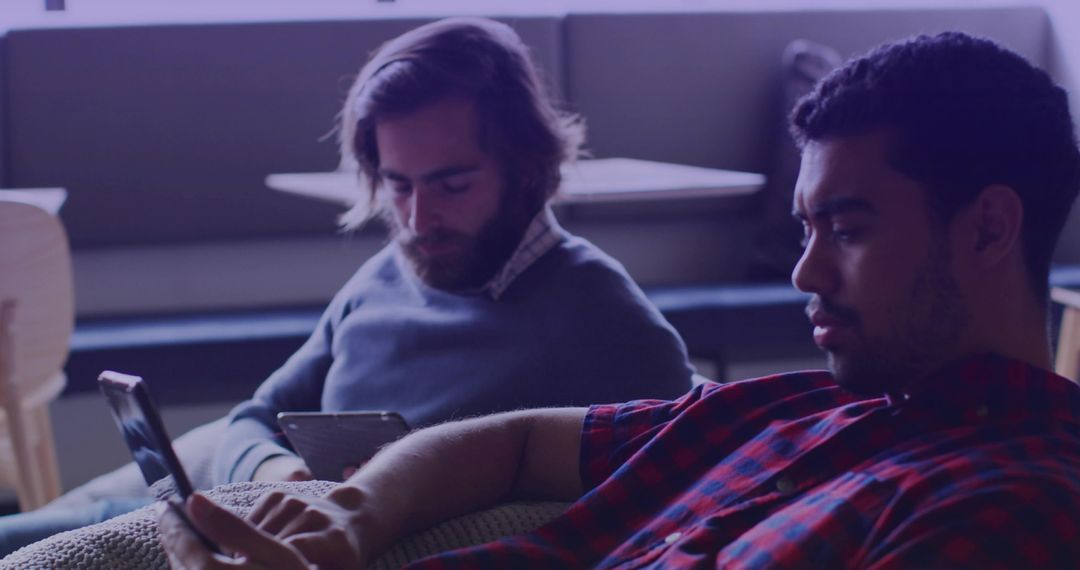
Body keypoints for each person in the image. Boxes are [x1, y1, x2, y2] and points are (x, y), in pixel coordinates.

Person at [161, 31, 1080, 568]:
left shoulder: (1012, 505)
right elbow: (519, 439)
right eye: (805, 232)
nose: (803, 274)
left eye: (846, 229)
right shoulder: (787, 404)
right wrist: (350, 516)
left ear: (990, 229)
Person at [0, 17, 694, 557]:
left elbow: (674, 486)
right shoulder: (389, 274)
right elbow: (255, 416)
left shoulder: (604, 320)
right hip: (243, 507)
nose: (420, 220)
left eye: (452, 185)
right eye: (398, 186)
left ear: (524, 168)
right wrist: (283, 482)